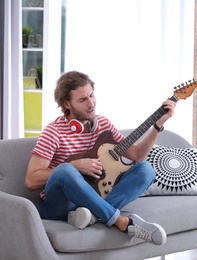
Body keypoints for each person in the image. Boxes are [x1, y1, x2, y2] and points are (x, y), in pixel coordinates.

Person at [25, 71, 176, 246]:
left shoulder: (103, 124)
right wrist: (75, 165)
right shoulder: (54, 132)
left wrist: (158, 125)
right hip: (60, 206)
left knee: (146, 170)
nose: (91, 104)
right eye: (82, 100)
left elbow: (136, 155)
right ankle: (119, 220)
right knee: (65, 170)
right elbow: (30, 180)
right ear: (67, 103)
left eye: (91, 95)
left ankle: (93, 216)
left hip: (94, 199)